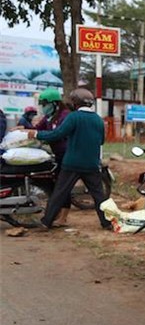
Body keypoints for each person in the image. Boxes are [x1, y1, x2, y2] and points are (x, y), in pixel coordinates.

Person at [25, 88, 111, 230]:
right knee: (98, 196)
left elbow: (57, 134)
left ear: (75, 103)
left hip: (72, 163)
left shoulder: (73, 117)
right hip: (92, 164)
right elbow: (101, 141)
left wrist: (36, 135)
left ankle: (46, 222)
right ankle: (106, 223)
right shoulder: (98, 120)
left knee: (59, 193)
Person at [35, 88, 72, 225]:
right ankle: (58, 215)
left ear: (55, 103)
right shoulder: (50, 117)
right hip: (58, 155)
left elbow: (58, 134)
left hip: (68, 155)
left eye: (45, 104)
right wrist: (24, 130)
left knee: (63, 185)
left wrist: (40, 136)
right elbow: (39, 128)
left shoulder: (65, 116)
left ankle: (63, 217)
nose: (43, 107)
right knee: (58, 184)